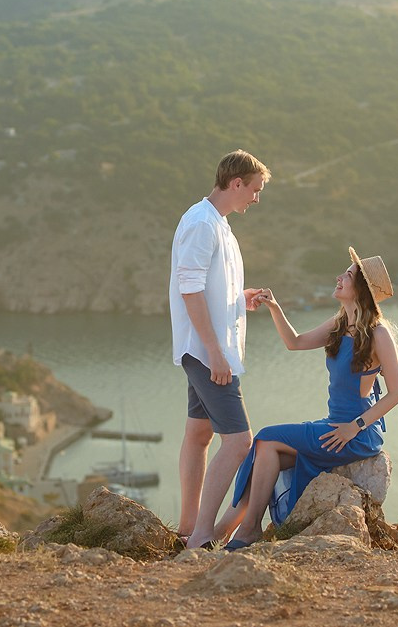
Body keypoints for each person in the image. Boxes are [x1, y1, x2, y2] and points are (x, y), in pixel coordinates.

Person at [215, 247, 398, 550]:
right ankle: (241, 529)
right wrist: (275, 307)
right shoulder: (340, 323)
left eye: (349, 274)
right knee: (268, 453)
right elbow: (295, 342)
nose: (340, 277)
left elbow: (397, 393)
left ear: (363, 289)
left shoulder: (378, 334)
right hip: (333, 425)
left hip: (355, 433)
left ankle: (235, 528)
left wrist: (353, 427)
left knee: (265, 438)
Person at [170, 149, 270, 550]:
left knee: (199, 434)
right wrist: (214, 352)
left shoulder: (220, 224)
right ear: (236, 183)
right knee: (239, 441)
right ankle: (202, 537)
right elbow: (188, 288)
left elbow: (207, 286)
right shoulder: (201, 223)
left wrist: (237, 297)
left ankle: (186, 527)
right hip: (209, 352)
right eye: (255, 190)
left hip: (208, 348)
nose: (256, 198)